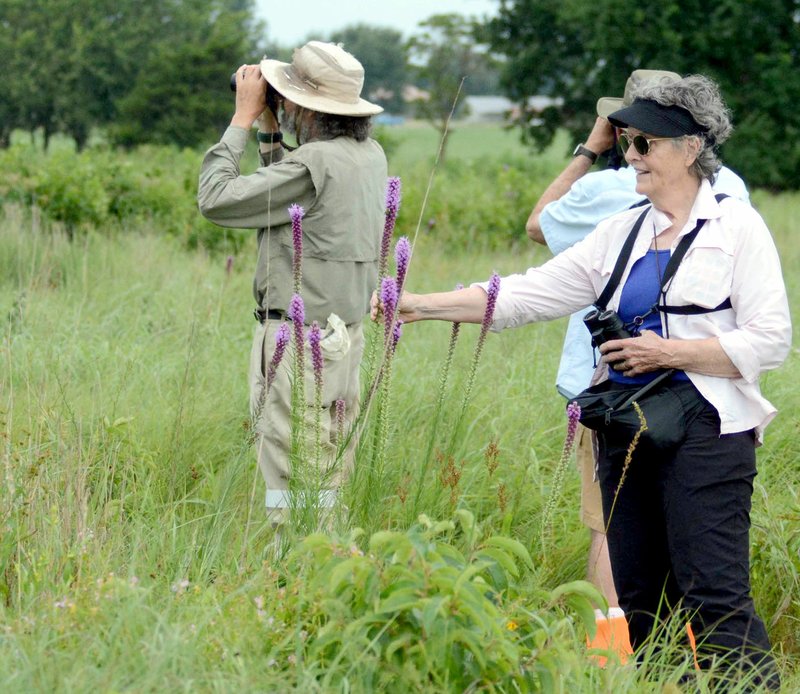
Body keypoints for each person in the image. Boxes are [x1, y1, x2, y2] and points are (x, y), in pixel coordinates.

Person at [375, 75, 788, 687]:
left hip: (708, 431)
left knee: (714, 594)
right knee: (641, 599)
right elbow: (528, 293)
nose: (631, 156)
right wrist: (419, 303)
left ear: (690, 147)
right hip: (625, 428)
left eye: (645, 143)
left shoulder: (737, 229)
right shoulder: (622, 231)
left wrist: (669, 352)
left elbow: (771, 339)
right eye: (627, 142)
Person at [523, 69, 751, 659]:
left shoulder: (608, 190)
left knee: (610, 526)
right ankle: (689, 652)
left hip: (613, 391)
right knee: (693, 539)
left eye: (631, 132)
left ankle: (613, 649)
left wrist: (588, 148)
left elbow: (535, 224)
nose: (631, 146)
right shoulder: (735, 188)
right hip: (710, 398)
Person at [198, 41, 387, 521]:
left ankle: (298, 569)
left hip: (297, 344)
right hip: (344, 336)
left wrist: (242, 119)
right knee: (330, 463)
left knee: (292, 465)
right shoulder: (368, 156)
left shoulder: (312, 162)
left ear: (302, 105)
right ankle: (333, 559)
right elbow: (288, 205)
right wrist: (271, 129)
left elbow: (217, 199)